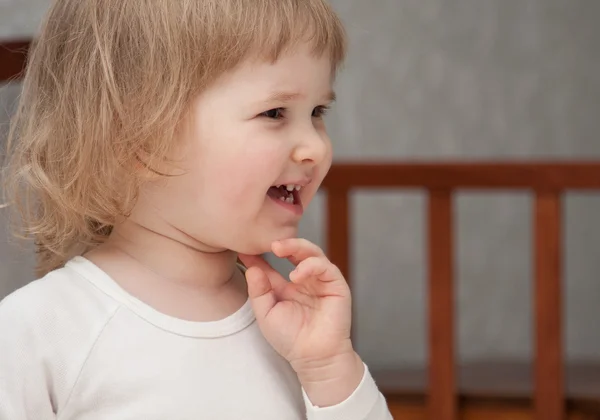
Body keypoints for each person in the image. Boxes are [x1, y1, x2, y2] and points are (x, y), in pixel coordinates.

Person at [0, 0, 393, 419]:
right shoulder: (38, 332)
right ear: (139, 137)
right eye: (274, 112)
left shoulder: (295, 332)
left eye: (317, 112)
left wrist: (330, 370)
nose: (316, 147)